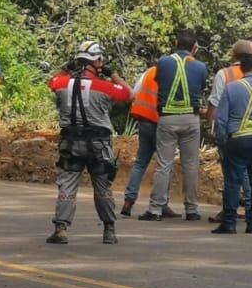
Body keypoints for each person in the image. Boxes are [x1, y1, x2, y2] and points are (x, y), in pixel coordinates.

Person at [47, 41, 131, 245]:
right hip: (98, 144)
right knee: (102, 186)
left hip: (71, 142)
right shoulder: (103, 86)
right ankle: (109, 229)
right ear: (97, 62)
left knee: (67, 184)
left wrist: (68, 68)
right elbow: (129, 94)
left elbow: (53, 81)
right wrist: (112, 74)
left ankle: (61, 228)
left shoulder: (61, 83)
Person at [140, 30, 208, 222]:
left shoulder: (163, 63)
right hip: (190, 119)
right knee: (191, 165)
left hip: (167, 118)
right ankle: (192, 210)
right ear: (194, 47)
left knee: (164, 165)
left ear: (176, 44)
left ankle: (155, 210)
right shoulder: (200, 67)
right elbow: (201, 87)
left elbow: (159, 81)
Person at [211, 52, 252, 234]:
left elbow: (221, 120)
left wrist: (222, 139)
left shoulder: (231, 88)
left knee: (233, 182)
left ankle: (229, 223)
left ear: (241, 69)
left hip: (238, 139)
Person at [206, 40, 252, 225]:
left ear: (233, 55)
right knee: (251, 172)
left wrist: (210, 125)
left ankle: (229, 211)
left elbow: (215, 102)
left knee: (232, 173)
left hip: (231, 131)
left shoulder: (224, 74)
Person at [120, 56, 163, 217]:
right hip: (161, 123)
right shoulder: (172, 74)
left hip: (144, 121)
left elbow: (134, 93)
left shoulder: (149, 72)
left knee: (140, 163)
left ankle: (129, 200)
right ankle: (161, 204)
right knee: (164, 165)